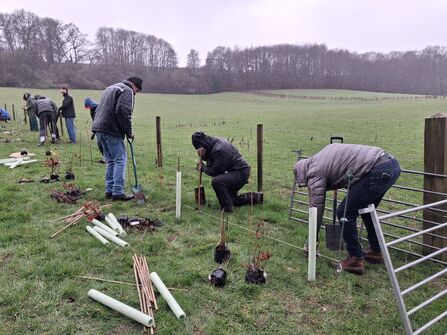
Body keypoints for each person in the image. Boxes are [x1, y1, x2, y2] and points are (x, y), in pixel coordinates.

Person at [294, 143, 401, 275]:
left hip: (376, 168)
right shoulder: (320, 158)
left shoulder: (314, 172)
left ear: (303, 173)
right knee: (366, 210)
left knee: (345, 212)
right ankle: (376, 251)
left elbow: (316, 208)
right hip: (391, 165)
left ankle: (355, 259)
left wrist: (312, 241)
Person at [92, 77, 143, 201]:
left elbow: (98, 109)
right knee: (120, 160)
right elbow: (123, 110)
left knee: (110, 161)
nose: (135, 93)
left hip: (99, 128)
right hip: (111, 129)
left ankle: (109, 191)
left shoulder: (110, 88)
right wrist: (129, 132)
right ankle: (118, 192)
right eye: (137, 90)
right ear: (133, 85)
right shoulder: (127, 90)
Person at [191, 131, 263, 213]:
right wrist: (203, 155)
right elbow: (213, 161)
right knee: (231, 199)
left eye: (199, 148)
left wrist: (203, 167)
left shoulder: (219, 149)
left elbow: (215, 171)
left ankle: (227, 209)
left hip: (240, 173)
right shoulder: (212, 143)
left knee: (217, 181)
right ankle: (256, 197)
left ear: (204, 145)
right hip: (234, 172)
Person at [85, 97, 105, 163]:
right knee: (99, 143)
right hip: (97, 129)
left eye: (88, 106)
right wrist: (93, 132)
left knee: (103, 143)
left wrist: (94, 131)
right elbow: (94, 121)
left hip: (103, 128)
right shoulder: (92, 111)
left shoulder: (99, 108)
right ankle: (105, 157)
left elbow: (99, 121)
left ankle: (107, 158)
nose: (88, 108)